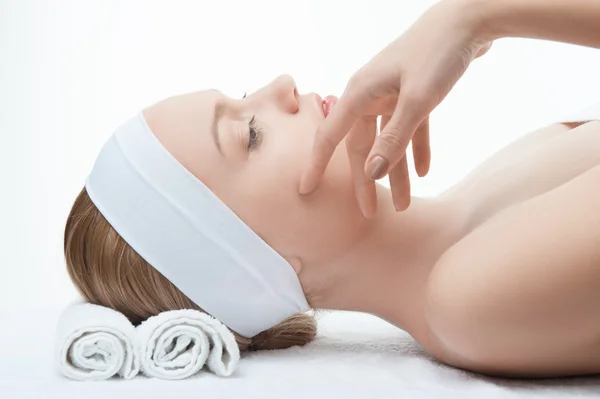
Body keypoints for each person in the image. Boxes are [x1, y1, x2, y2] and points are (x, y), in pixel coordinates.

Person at [64, 0, 600, 379]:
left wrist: (473, 22)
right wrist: (476, 15)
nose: (282, 85)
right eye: (250, 134)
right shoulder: (474, 300)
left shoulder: (482, 195)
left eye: (248, 94)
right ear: (261, 265)